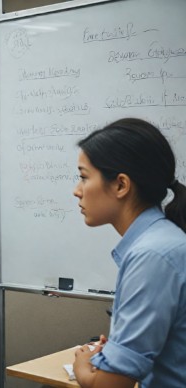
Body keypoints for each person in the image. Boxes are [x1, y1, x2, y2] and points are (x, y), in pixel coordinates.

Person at [71, 118, 186, 387]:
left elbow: (110, 385)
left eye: (84, 177)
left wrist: (82, 366)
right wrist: (117, 349)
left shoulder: (151, 256)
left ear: (121, 185)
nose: (77, 191)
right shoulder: (164, 242)